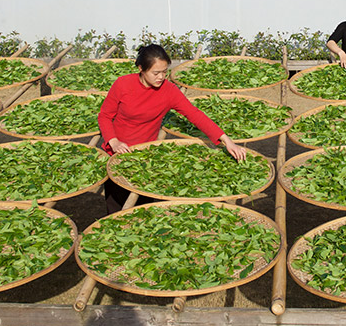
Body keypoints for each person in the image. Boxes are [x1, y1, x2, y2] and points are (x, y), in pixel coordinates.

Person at [98, 43, 248, 212]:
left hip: (145, 154)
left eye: (165, 71)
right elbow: (104, 116)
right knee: (117, 208)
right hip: (117, 152)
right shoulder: (123, 85)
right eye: (156, 73)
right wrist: (114, 141)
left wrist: (226, 140)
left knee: (145, 208)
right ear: (141, 68)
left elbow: (195, 114)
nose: (161, 77)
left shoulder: (169, 91)